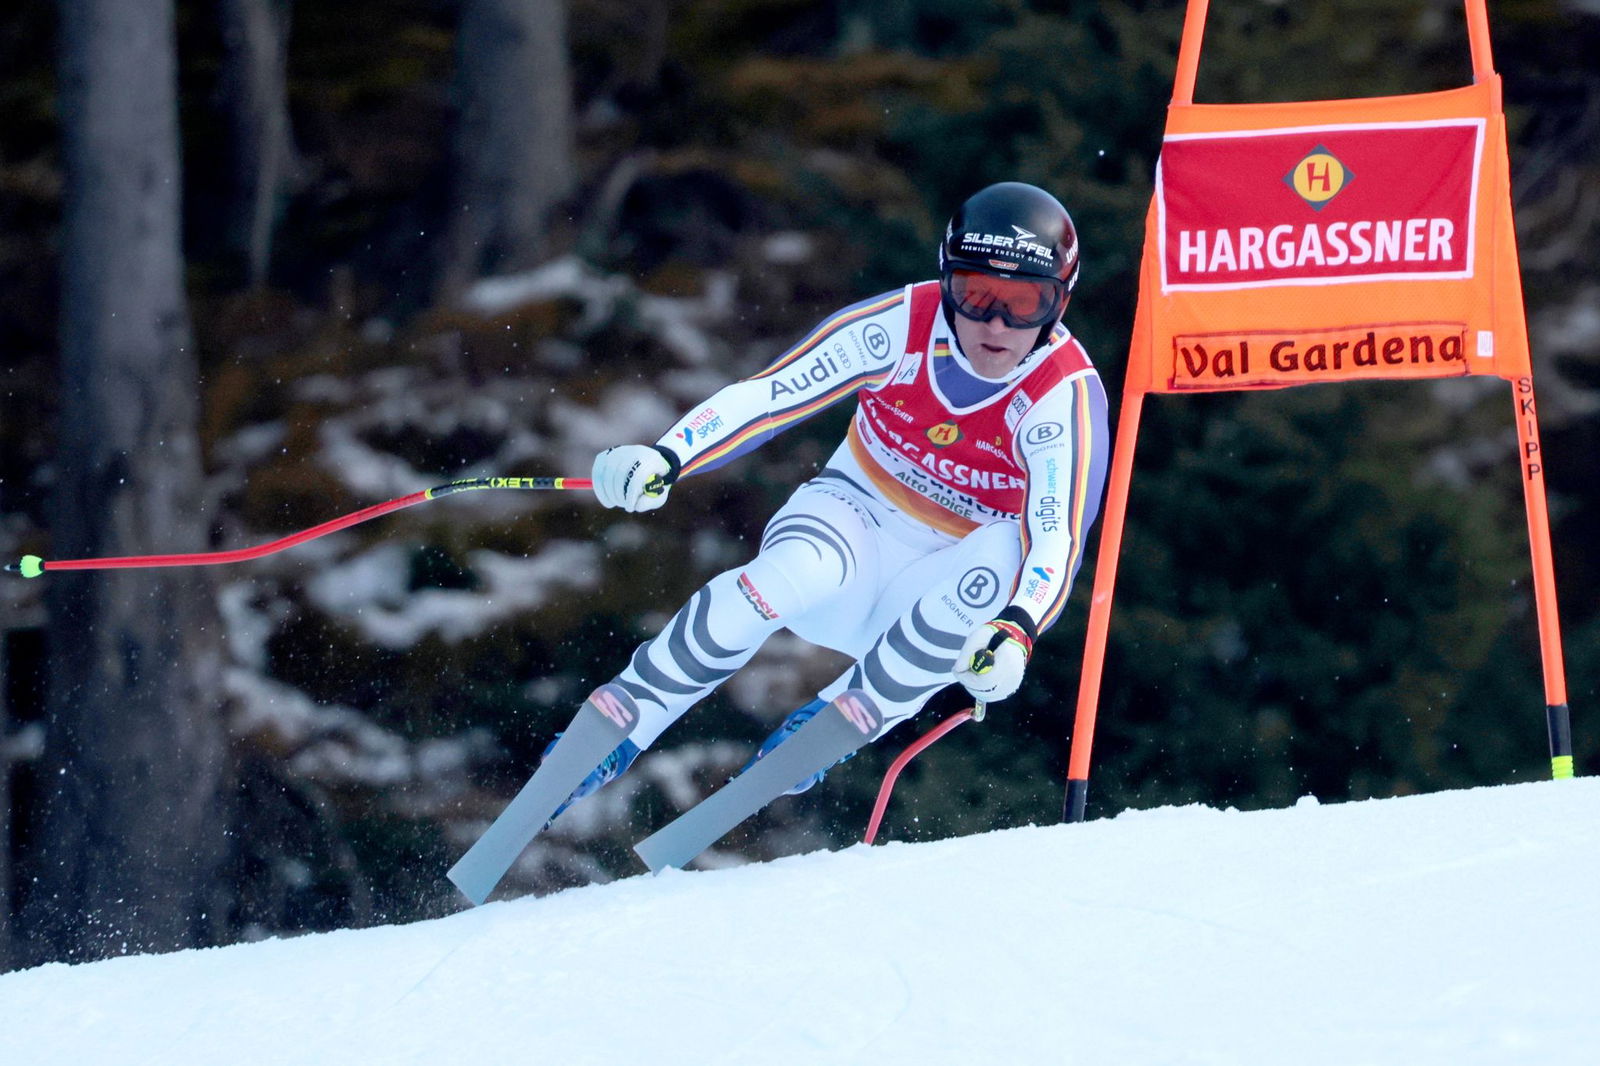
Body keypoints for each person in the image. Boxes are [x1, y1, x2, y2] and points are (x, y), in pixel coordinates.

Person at [551, 181, 1111, 816]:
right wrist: (668, 454)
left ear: (1059, 304)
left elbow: (1056, 535)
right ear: (945, 279)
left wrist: (1018, 628)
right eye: (975, 294)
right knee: (777, 578)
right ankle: (627, 719)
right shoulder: (901, 325)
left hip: (939, 595)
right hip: (850, 533)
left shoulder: (1061, 396)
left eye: (1023, 303)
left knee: (1009, 545)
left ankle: (839, 717)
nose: (994, 324)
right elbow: (770, 394)